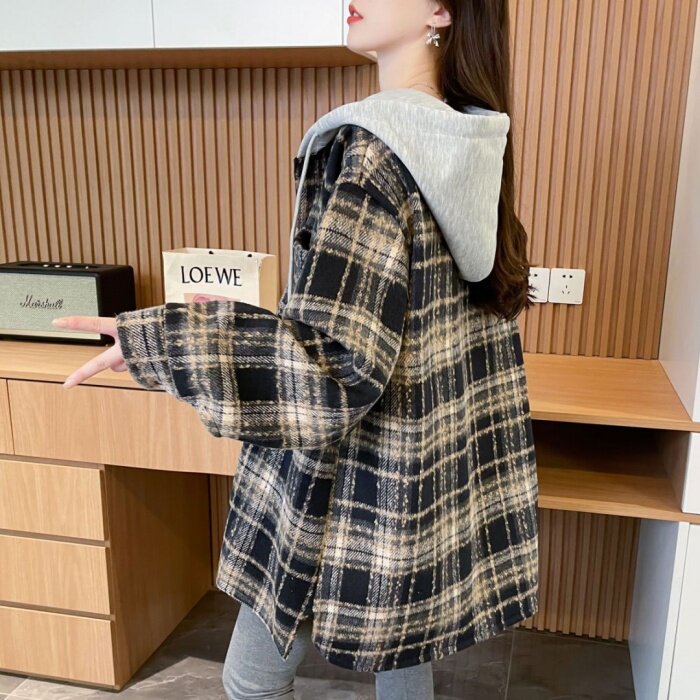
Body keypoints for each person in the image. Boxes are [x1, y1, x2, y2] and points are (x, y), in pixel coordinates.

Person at [53, 1, 539, 698]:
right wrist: (250, 322)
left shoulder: (373, 152)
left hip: (339, 470)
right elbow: (384, 328)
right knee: (407, 648)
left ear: (441, 9)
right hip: (413, 481)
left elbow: (335, 363)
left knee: (252, 683)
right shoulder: (466, 142)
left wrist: (167, 342)